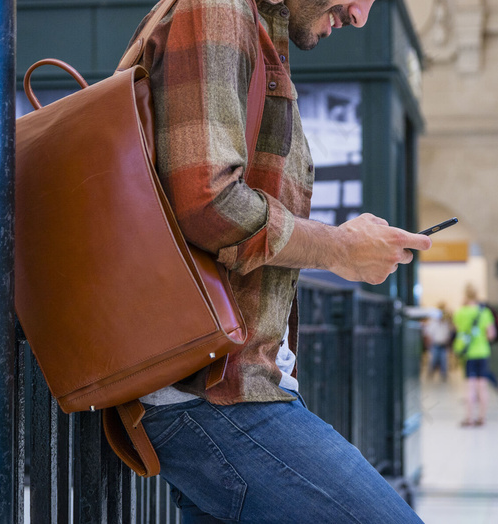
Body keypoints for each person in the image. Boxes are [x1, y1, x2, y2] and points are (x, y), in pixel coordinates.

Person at [128, 0, 432, 521]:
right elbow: (210, 204)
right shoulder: (218, 9)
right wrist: (339, 248)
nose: (360, 16)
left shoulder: (255, 29)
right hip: (214, 393)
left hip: (217, 389)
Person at [453, 284, 496, 427]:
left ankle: (469, 418)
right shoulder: (485, 313)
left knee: (469, 387)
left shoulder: (460, 312)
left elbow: (458, 330)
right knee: (482, 386)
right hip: (482, 352)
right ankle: (482, 418)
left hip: (468, 354)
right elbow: (491, 335)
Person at [422, 302, 454, 381]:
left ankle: (444, 376)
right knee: (433, 361)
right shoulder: (433, 323)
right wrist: (428, 345)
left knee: (444, 362)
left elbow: (449, 333)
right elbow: (428, 334)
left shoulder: (446, 323)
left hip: (443, 345)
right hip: (435, 345)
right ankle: (430, 375)